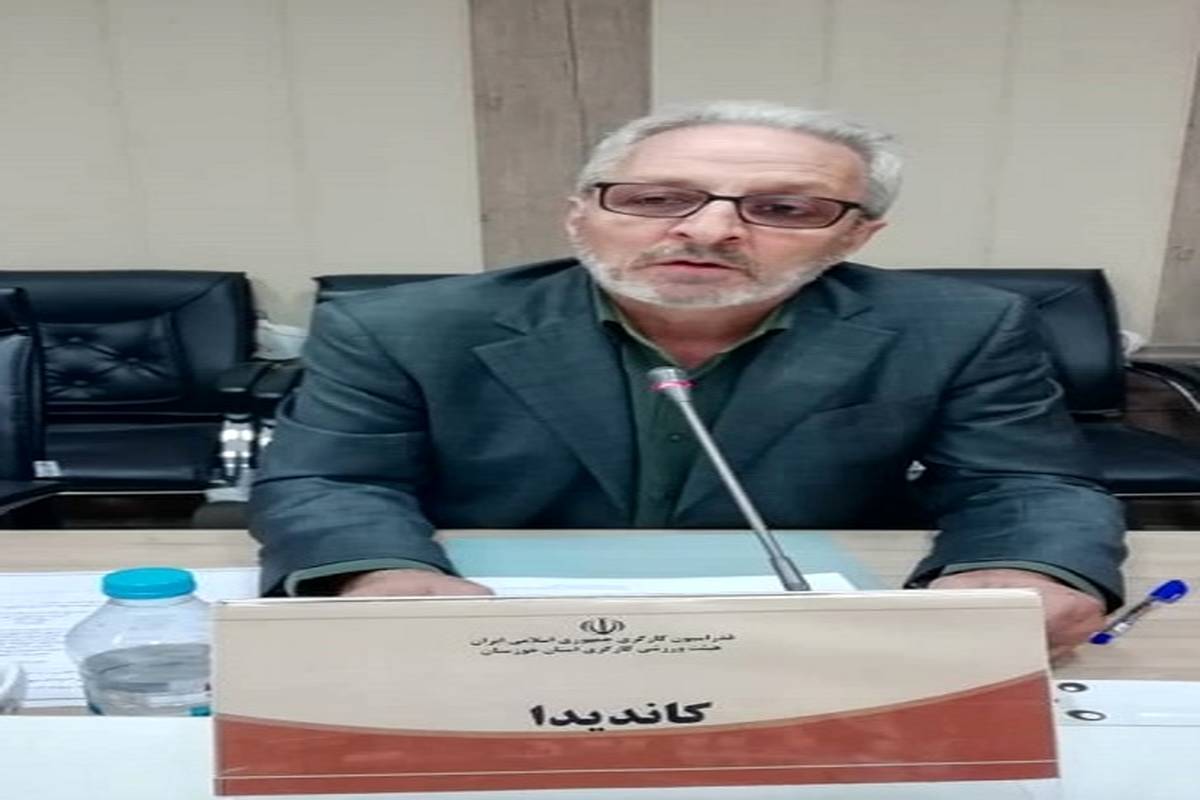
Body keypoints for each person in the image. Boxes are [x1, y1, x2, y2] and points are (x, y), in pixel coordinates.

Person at [250, 100, 1126, 660]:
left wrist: (1028, 567)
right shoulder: (400, 327)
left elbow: (1025, 483)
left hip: (808, 637)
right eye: (657, 198)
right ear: (581, 214)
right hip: (499, 630)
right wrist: (379, 577)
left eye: (784, 209)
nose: (708, 231)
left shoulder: (961, 327)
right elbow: (333, 481)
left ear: (856, 236)